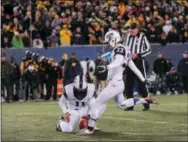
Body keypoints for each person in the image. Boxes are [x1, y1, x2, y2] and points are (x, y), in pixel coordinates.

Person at [77, 30, 155, 135]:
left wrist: (106, 67)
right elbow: (133, 67)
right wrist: (143, 79)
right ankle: (144, 100)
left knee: (97, 102)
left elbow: (117, 62)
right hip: (118, 83)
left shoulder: (119, 49)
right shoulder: (125, 49)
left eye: (109, 41)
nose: (108, 43)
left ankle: (90, 129)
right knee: (122, 105)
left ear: (113, 39)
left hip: (115, 83)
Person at [123, 22, 151, 111]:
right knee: (128, 84)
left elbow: (148, 49)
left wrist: (138, 54)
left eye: (134, 28)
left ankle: (146, 104)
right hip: (129, 62)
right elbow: (123, 48)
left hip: (139, 62)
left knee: (142, 83)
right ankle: (130, 105)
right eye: (131, 28)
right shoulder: (127, 36)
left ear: (137, 29)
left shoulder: (142, 36)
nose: (132, 30)